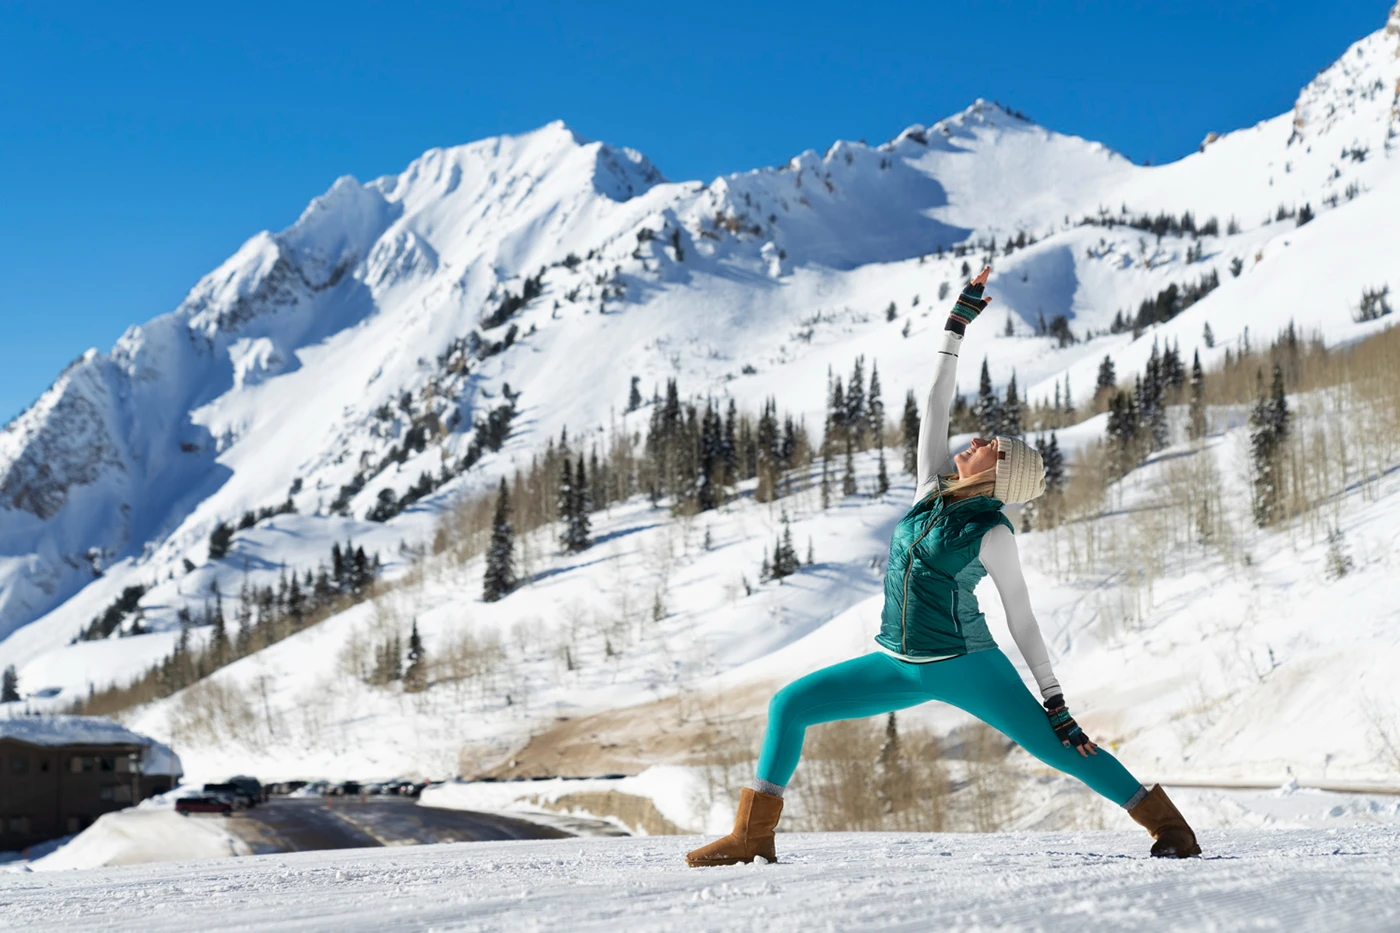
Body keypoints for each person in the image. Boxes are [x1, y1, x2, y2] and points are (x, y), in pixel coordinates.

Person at [687, 266, 1200, 866]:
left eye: (992, 446)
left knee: (1062, 749)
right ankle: (752, 837)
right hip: (895, 661)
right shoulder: (928, 489)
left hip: (967, 666)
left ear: (997, 473)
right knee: (789, 705)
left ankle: (1170, 828)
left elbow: (1024, 620)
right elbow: (935, 403)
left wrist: (1056, 703)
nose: (978, 439)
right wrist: (956, 327)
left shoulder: (993, 532)